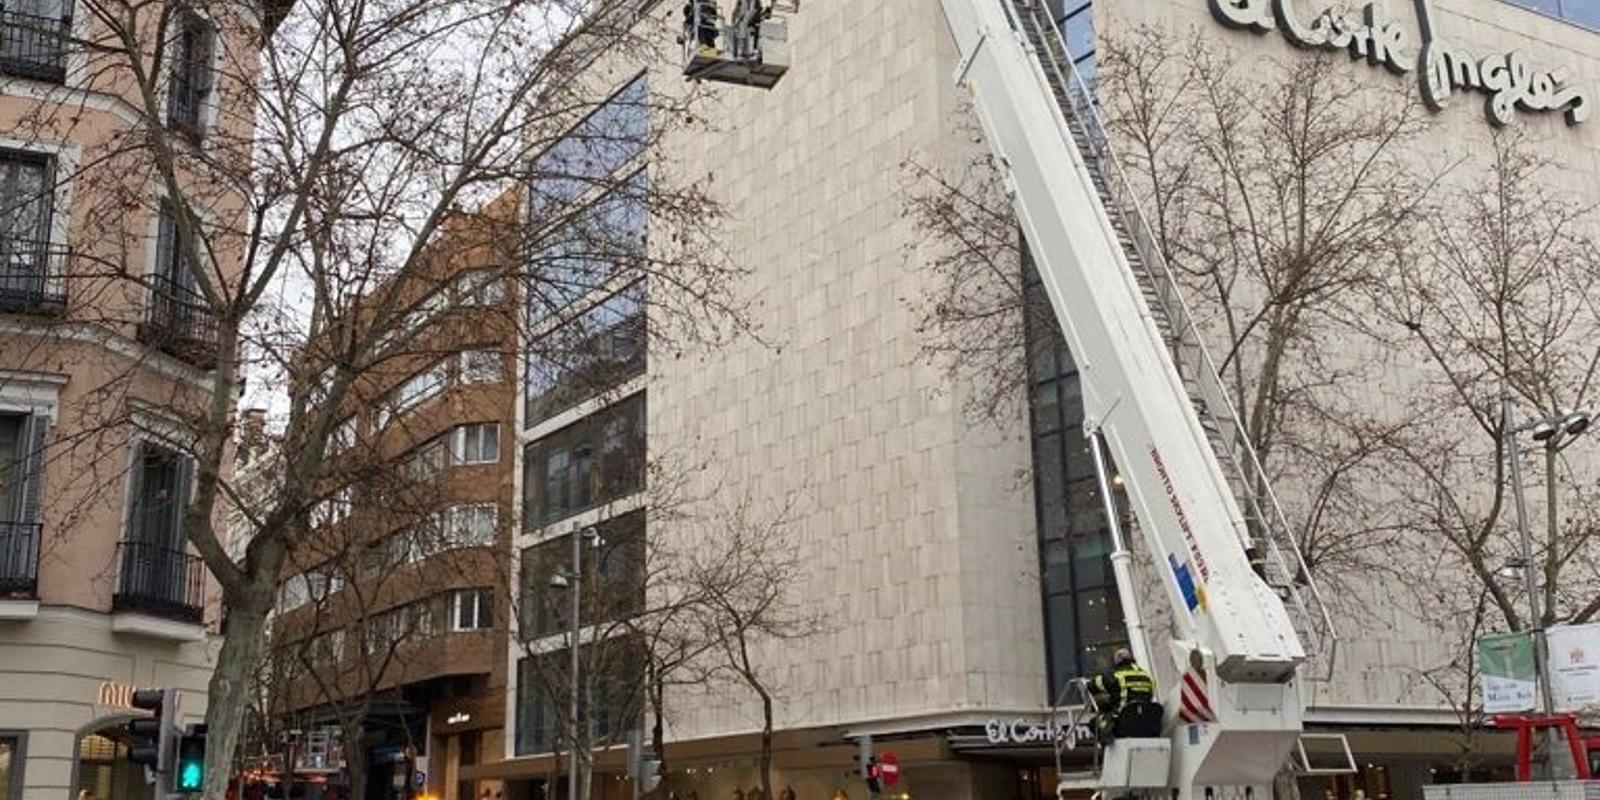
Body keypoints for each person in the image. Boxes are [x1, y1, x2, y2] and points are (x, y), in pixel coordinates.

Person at [1088, 647, 1161, 743]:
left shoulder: (1115, 676)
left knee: (1094, 723)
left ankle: (1109, 750)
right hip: (1147, 722)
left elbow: (1092, 685)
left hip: (1124, 723)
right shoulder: (1147, 676)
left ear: (1117, 660)